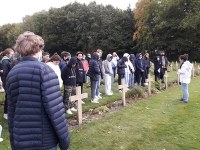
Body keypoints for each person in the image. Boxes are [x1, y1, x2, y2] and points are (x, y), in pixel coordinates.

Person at [6, 31, 70, 150]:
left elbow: (11, 111)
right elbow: (55, 110)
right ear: (38, 49)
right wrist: (65, 141)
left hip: (21, 140)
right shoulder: (45, 71)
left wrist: (13, 142)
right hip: (44, 141)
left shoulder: (12, 73)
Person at [1, 48, 14, 120]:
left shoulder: (6, 60)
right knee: (8, 97)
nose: (12, 55)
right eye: (11, 54)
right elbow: (5, 72)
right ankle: (6, 114)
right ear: (7, 54)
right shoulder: (5, 61)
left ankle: (7, 112)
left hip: (6, 80)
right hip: (6, 81)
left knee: (8, 97)